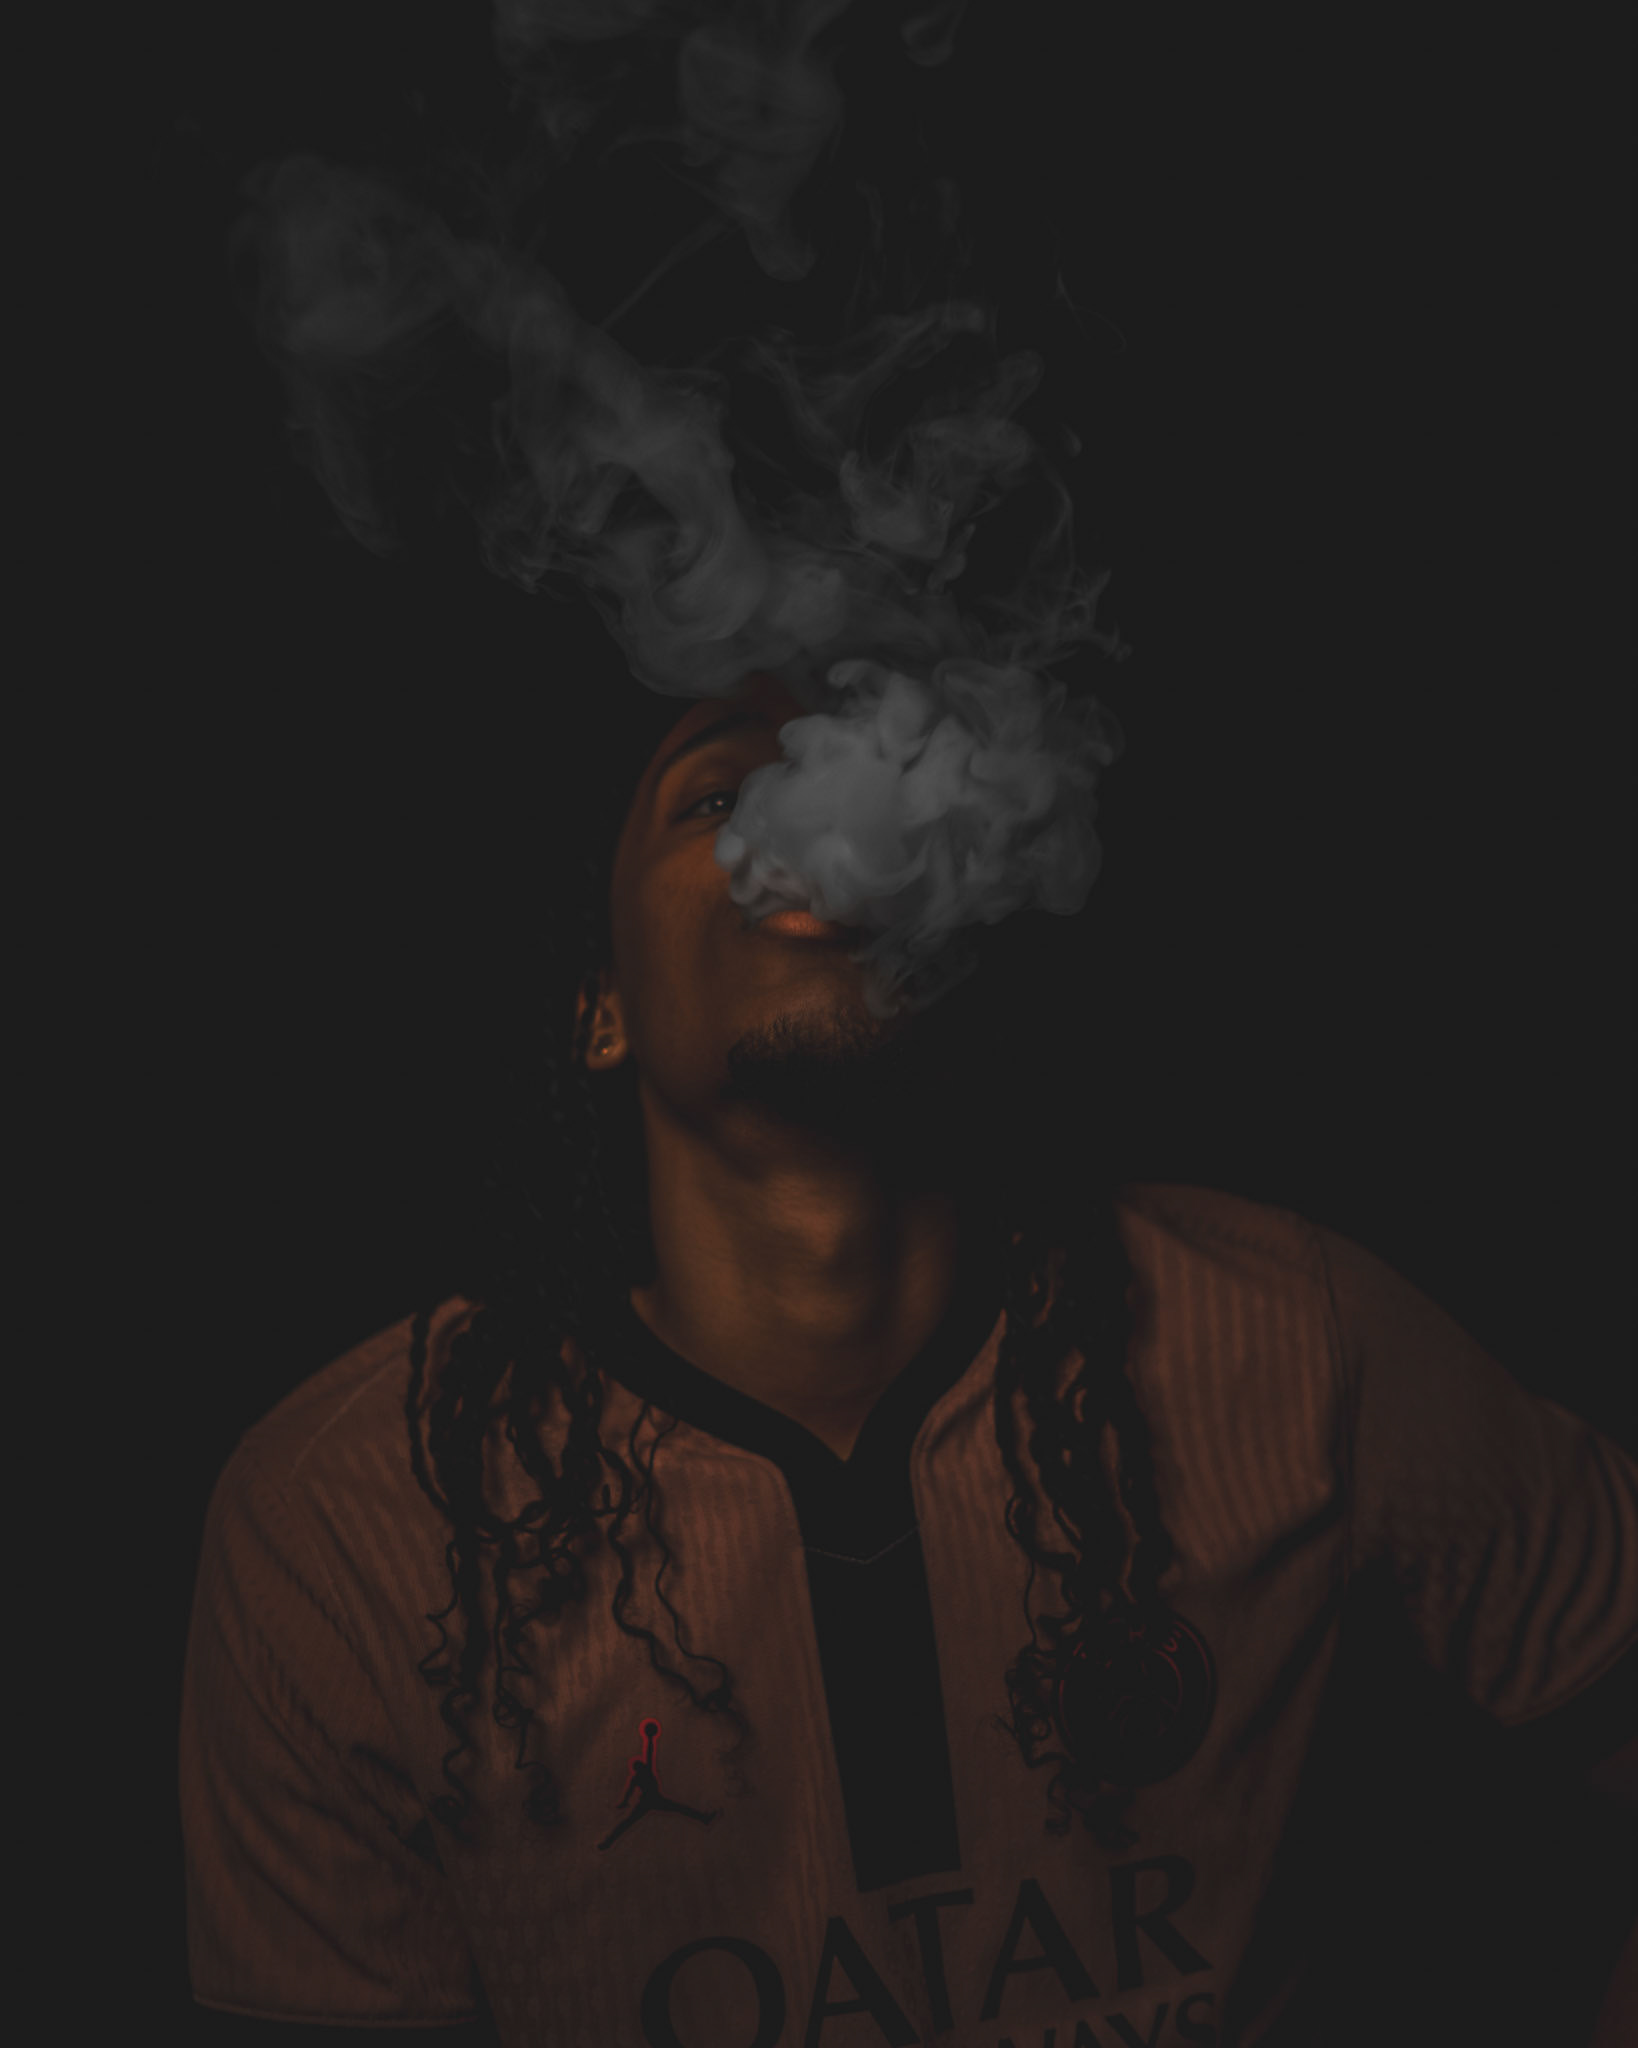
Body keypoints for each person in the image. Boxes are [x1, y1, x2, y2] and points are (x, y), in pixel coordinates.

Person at [179, 671, 1637, 2047]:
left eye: (881, 767)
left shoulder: (1288, 1337)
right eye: (713, 797)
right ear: (599, 1008)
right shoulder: (348, 1520)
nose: (813, 810)